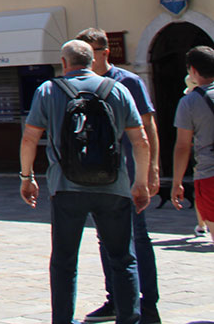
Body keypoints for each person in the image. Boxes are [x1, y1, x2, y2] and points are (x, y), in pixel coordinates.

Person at [20, 40, 150, 324]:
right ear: (93, 61)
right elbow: (140, 140)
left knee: (64, 261)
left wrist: (27, 177)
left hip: (66, 188)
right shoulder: (117, 89)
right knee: (123, 259)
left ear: (64, 63)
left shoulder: (48, 90)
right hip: (114, 186)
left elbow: (30, 137)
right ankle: (128, 319)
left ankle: (63, 320)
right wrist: (140, 183)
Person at [76, 27, 160, 324]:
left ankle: (147, 304)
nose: (87, 60)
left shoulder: (129, 81)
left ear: (105, 52)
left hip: (129, 173)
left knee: (137, 237)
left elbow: (148, 128)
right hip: (100, 176)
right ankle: (116, 299)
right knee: (105, 238)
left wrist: (151, 169)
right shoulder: (85, 84)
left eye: (91, 54)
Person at [171, 46, 214, 239]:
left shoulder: (189, 102)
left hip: (209, 173)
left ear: (193, 71)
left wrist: (177, 182)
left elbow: (182, 146)